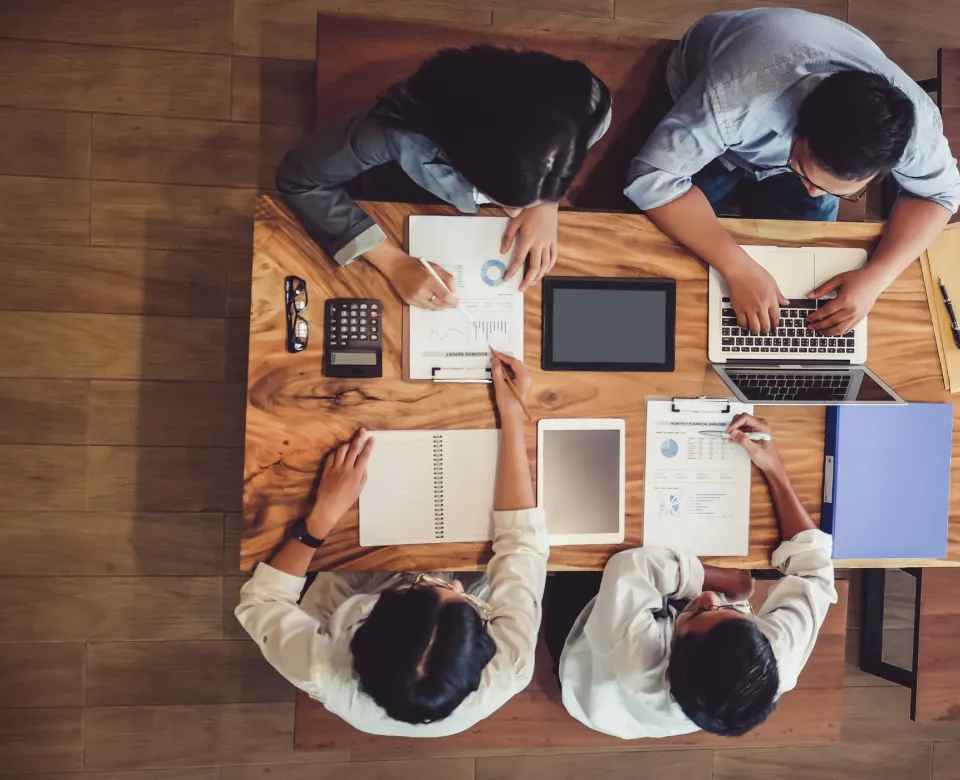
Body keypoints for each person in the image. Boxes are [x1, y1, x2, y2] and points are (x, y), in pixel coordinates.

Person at [235, 351, 548, 736]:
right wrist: (513, 415)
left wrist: (321, 518)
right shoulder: (510, 668)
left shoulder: (320, 668)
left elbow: (260, 601)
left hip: (357, 578)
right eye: (459, 600)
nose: (453, 584)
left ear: (365, 629)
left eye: (423, 589)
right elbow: (521, 544)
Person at [626, 8, 960, 337]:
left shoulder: (915, 130)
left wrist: (878, 276)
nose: (813, 192)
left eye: (842, 191)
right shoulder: (734, 96)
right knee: (645, 247)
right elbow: (651, 178)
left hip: (765, 107)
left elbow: (942, 195)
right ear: (795, 129)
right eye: (803, 172)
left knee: (805, 270)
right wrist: (736, 266)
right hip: (699, 87)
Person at [546, 412, 837, 739]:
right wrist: (774, 468)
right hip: (669, 672)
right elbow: (813, 567)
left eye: (698, 612)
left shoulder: (635, 660)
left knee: (582, 549)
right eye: (734, 612)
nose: (710, 599)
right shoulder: (775, 656)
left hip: (589, 673)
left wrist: (725, 582)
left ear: (668, 669)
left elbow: (629, 567)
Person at [277, 46, 612, 308]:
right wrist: (393, 264)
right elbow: (300, 179)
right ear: (464, 158)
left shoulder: (586, 102)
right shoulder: (395, 134)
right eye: (503, 200)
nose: (513, 213)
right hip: (402, 189)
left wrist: (545, 201)